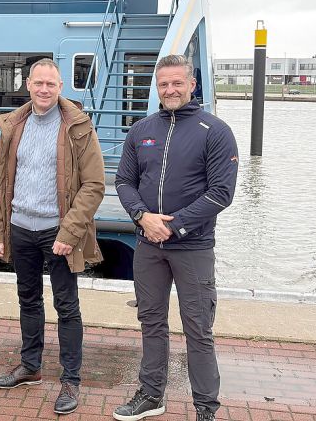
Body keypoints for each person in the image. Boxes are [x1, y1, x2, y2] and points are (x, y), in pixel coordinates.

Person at [112, 54, 239, 421]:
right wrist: (142, 217)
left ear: (191, 84)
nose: (170, 89)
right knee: (151, 321)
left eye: (177, 83)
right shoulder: (141, 130)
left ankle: (205, 407)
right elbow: (124, 181)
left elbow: (221, 193)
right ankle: (152, 394)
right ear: (157, 87)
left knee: (198, 328)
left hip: (193, 247)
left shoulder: (215, 131)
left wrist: (174, 224)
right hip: (148, 246)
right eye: (163, 84)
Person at [0, 59, 105, 415]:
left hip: (58, 231)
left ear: (60, 87)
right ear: (28, 85)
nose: (43, 89)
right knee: (28, 299)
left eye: (50, 84)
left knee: (67, 306)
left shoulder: (78, 127)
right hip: (21, 228)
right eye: (38, 83)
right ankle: (31, 367)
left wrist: (69, 232)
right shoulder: (14, 125)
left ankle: (71, 379)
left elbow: (94, 185)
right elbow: (0, 182)